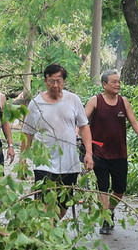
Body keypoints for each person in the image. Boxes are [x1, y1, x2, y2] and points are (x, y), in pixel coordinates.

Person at [20, 64, 93, 218]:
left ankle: (51, 230)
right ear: (45, 81)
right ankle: (47, 236)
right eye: (51, 81)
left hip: (69, 163)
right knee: (44, 202)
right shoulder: (35, 104)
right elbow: (27, 133)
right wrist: (23, 160)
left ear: (64, 82)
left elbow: (84, 126)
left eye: (59, 81)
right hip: (43, 162)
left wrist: (89, 154)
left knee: (63, 205)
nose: (55, 85)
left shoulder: (73, 100)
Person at [84, 69, 138, 234]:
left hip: (119, 153)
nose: (118, 85)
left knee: (120, 189)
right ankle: (106, 219)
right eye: (114, 82)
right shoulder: (95, 101)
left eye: (119, 82)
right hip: (99, 152)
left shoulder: (124, 101)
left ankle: (110, 209)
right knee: (103, 187)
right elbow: (82, 121)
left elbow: (134, 121)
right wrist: (75, 135)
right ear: (104, 84)